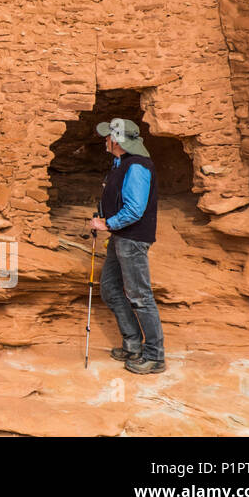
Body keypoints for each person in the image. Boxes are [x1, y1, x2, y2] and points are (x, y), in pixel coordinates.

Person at [88, 118, 165, 374]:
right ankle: (133, 344)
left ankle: (155, 356)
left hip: (132, 239)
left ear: (117, 140)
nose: (105, 141)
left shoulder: (137, 167)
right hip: (121, 238)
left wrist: (107, 224)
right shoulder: (120, 164)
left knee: (140, 297)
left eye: (108, 136)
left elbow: (134, 209)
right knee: (110, 289)